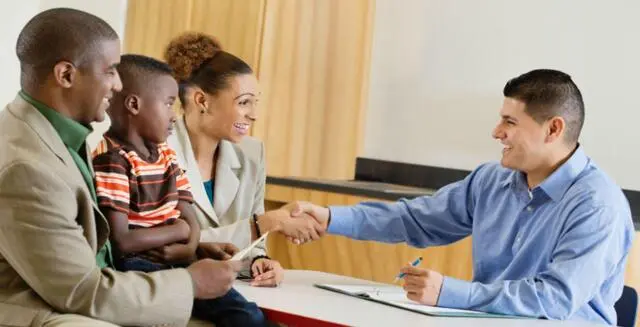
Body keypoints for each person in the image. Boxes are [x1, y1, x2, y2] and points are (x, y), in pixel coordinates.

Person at [281, 69, 635, 324]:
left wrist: (453, 293)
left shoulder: (597, 206)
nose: (497, 132)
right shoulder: (492, 180)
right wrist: (329, 218)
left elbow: (554, 300)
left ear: (553, 129)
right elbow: (415, 219)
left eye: (510, 122)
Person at [0, 8, 243, 327]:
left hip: (88, 290)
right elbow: (79, 290)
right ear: (66, 75)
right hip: (51, 308)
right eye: (110, 71)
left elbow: (94, 245)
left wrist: (192, 252)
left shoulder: (63, 134)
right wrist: (191, 283)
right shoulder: (25, 166)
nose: (117, 85)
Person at [92, 54, 266, 326]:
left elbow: (188, 218)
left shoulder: (164, 155)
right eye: (169, 104)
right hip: (138, 268)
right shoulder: (112, 159)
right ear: (134, 105)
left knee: (249, 315)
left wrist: (190, 242)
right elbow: (122, 242)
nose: (174, 115)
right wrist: (181, 233)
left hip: (176, 259)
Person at [164, 32, 318, 286]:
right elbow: (166, 248)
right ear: (202, 100)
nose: (253, 115)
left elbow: (253, 247)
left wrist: (259, 264)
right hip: (175, 288)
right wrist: (265, 223)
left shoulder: (252, 154)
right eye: (244, 102)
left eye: (255, 103)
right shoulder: (158, 151)